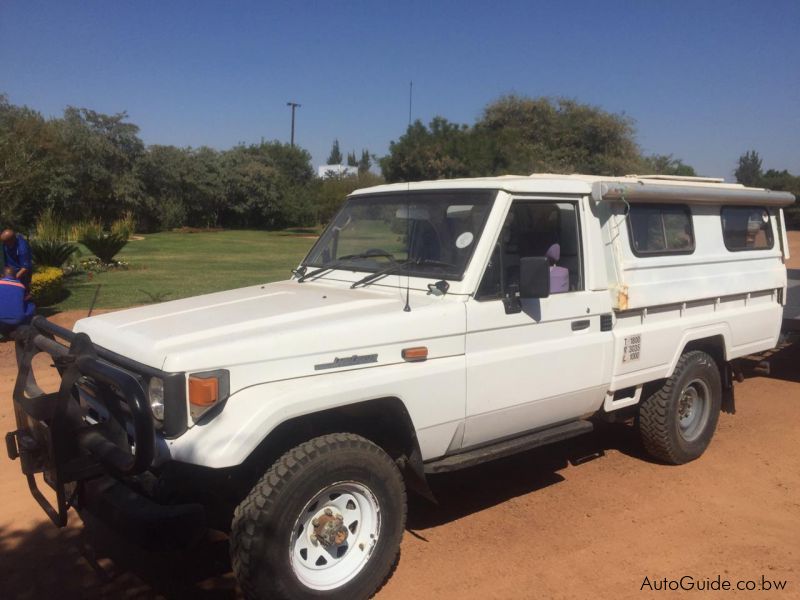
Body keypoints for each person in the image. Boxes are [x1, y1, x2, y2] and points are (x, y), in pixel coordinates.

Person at [0, 266, 35, 331]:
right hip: (18, 320)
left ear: (1, 275)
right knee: (30, 304)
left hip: (1, 320)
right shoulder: (21, 286)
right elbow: (26, 299)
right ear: (15, 276)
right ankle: (27, 324)